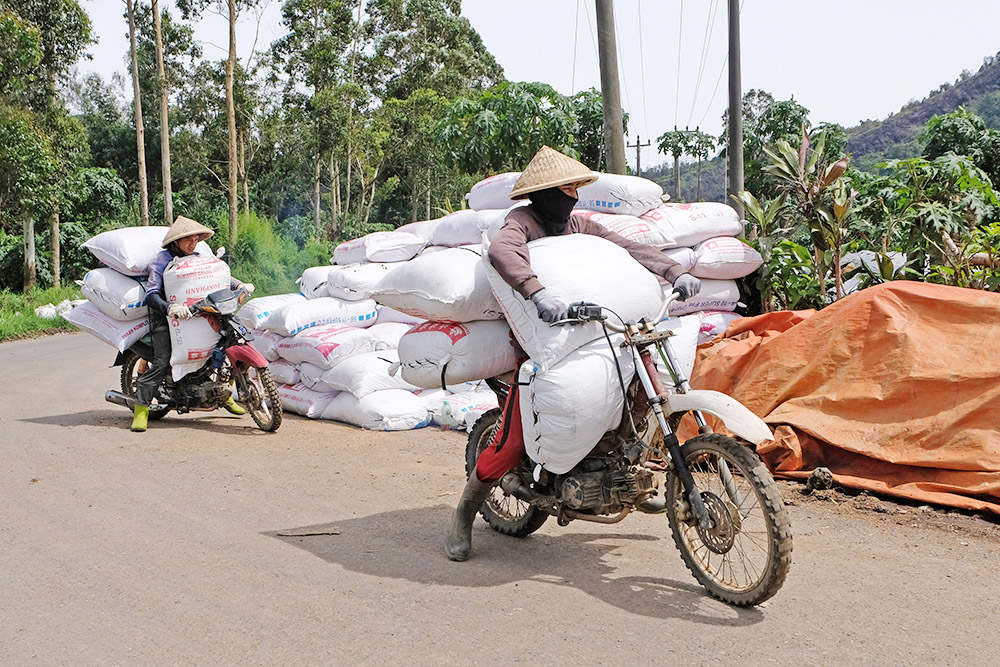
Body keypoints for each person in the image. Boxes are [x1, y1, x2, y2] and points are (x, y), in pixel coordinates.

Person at [445, 146, 702, 561]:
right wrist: (537, 293)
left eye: (576, 188)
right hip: (540, 348)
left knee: (642, 398)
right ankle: (464, 513)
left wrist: (675, 271)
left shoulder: (579, 224)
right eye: (567, 188)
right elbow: (501, 253)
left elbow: (626, 248)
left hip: (602, 334)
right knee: (512, 443)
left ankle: (629, 481)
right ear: (546, 192)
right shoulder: (522, 222)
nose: (574, 197)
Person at [130, 216, 254, 432]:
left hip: (204, 311)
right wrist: (169, 308)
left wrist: (239, 284)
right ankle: (141, 409)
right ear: (176, 241)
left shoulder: (199, 256)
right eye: (188, 240)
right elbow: (151, 294)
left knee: (229, 344)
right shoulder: (161, 261)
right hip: (168, 318)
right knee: (161, 361)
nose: (192, 244)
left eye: (196, 240)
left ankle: (224, 395)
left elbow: (216, 276)